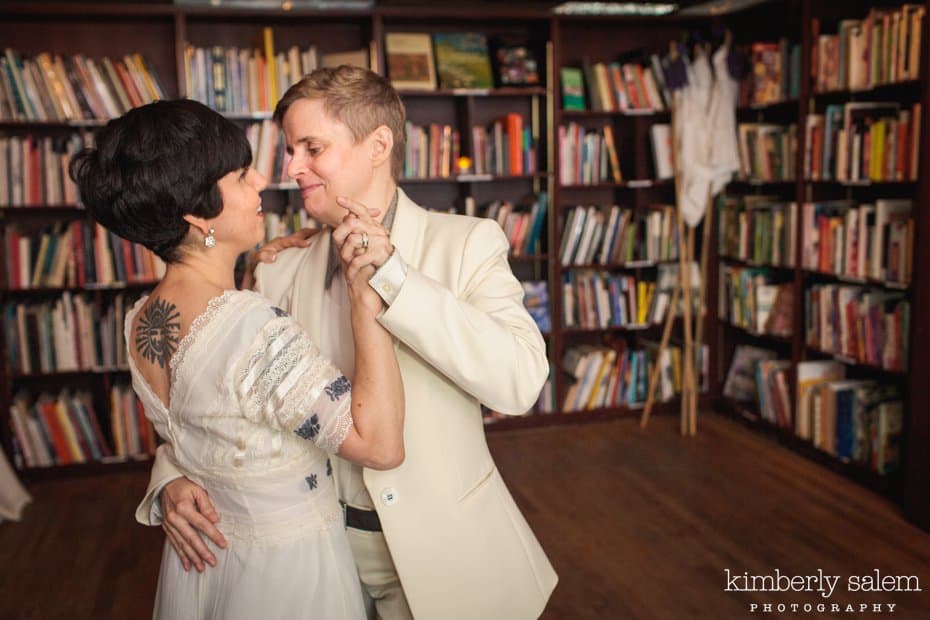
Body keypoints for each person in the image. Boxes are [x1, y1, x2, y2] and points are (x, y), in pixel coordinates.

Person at [138, 66, 558, 619]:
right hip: (314, 561)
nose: (289, 168)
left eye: (311, 147)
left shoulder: (467, 243)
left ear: (378, 144)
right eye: (289, 150)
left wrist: (398, 281)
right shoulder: (276, 268)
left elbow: (521, 381)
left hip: (450, 558)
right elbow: (214, 396)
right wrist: (172, 476)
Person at [70, 98, 405, 619]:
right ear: (198, 211)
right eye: (242, 176)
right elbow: (379, 445)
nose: (261, 186)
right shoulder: (252, 327)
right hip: (284, 571)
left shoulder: (140, 319)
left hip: (205, 562)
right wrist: (366, 298)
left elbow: (210, 424)